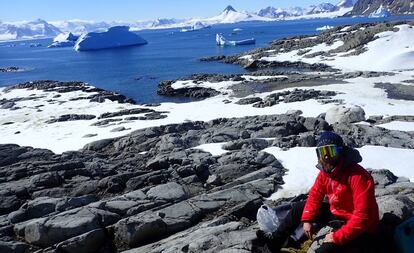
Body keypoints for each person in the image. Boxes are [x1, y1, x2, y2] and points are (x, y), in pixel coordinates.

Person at [257, 131, 379, 253]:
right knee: (299, 208)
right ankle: (274, 242)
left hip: (361, 228)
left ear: (341, 151)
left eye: (331, 151)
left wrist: (337, 237)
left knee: (323, 250)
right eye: (322, 152)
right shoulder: (326, 172)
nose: (326, 156)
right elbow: (315, 195)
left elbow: (363, 216)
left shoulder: (359, 176)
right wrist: (307, 219)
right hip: (338, 214)